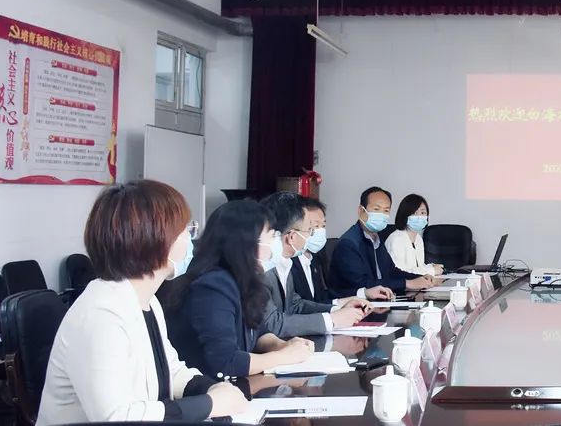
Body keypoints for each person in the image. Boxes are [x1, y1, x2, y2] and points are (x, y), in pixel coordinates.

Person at [38, 180, 247, 424]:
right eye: (186, 231)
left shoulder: (145, 301)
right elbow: (117, 417)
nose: (191, 240)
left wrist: (211, 389)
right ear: (158, 241)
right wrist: (209, 405)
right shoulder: (100, 314)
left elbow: (172, 371)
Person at [165, 200, 315, 379]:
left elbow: (256, 331)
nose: (275, 244)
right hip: (208, 389)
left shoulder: (242, 280)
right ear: (247, 242)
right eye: (271, 236)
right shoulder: (212, 287)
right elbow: (225, 363)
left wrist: (281, 345)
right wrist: (284, 357)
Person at [258, 192, 371, 338]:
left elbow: (295, 305)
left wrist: (336, 310)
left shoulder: (286, 262)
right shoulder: (263, 269)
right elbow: (271, 324)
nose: (311, 236)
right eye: (309, 230)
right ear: (292, 237)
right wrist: (331, 320)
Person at [328, 187, 436, 296]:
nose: (381, 214)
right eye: (376, 209)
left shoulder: (376, 238)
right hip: (355, 303)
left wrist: (419, 278)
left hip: (380, 299)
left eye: (386, 211)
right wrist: (407, 283)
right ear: (361, 211)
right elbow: (362, 284)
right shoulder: (349, 243)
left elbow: (391, 271)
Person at [292, 197, 393, 303]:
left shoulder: (313, 259)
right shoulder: (290, 263)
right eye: (315, 226)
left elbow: (323, 298)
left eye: (323, 226)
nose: (320, 231)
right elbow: (301, 307)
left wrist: (364, 293)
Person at [385, 194, 444, 276]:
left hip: (416, 282)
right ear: (404, 215)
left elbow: (418, 267)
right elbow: (400, 273)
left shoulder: (418, 238)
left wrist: (431, 266)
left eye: (423, 213)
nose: (420, 216)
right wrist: (431, 271)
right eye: (415, 213)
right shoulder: (396, 239)